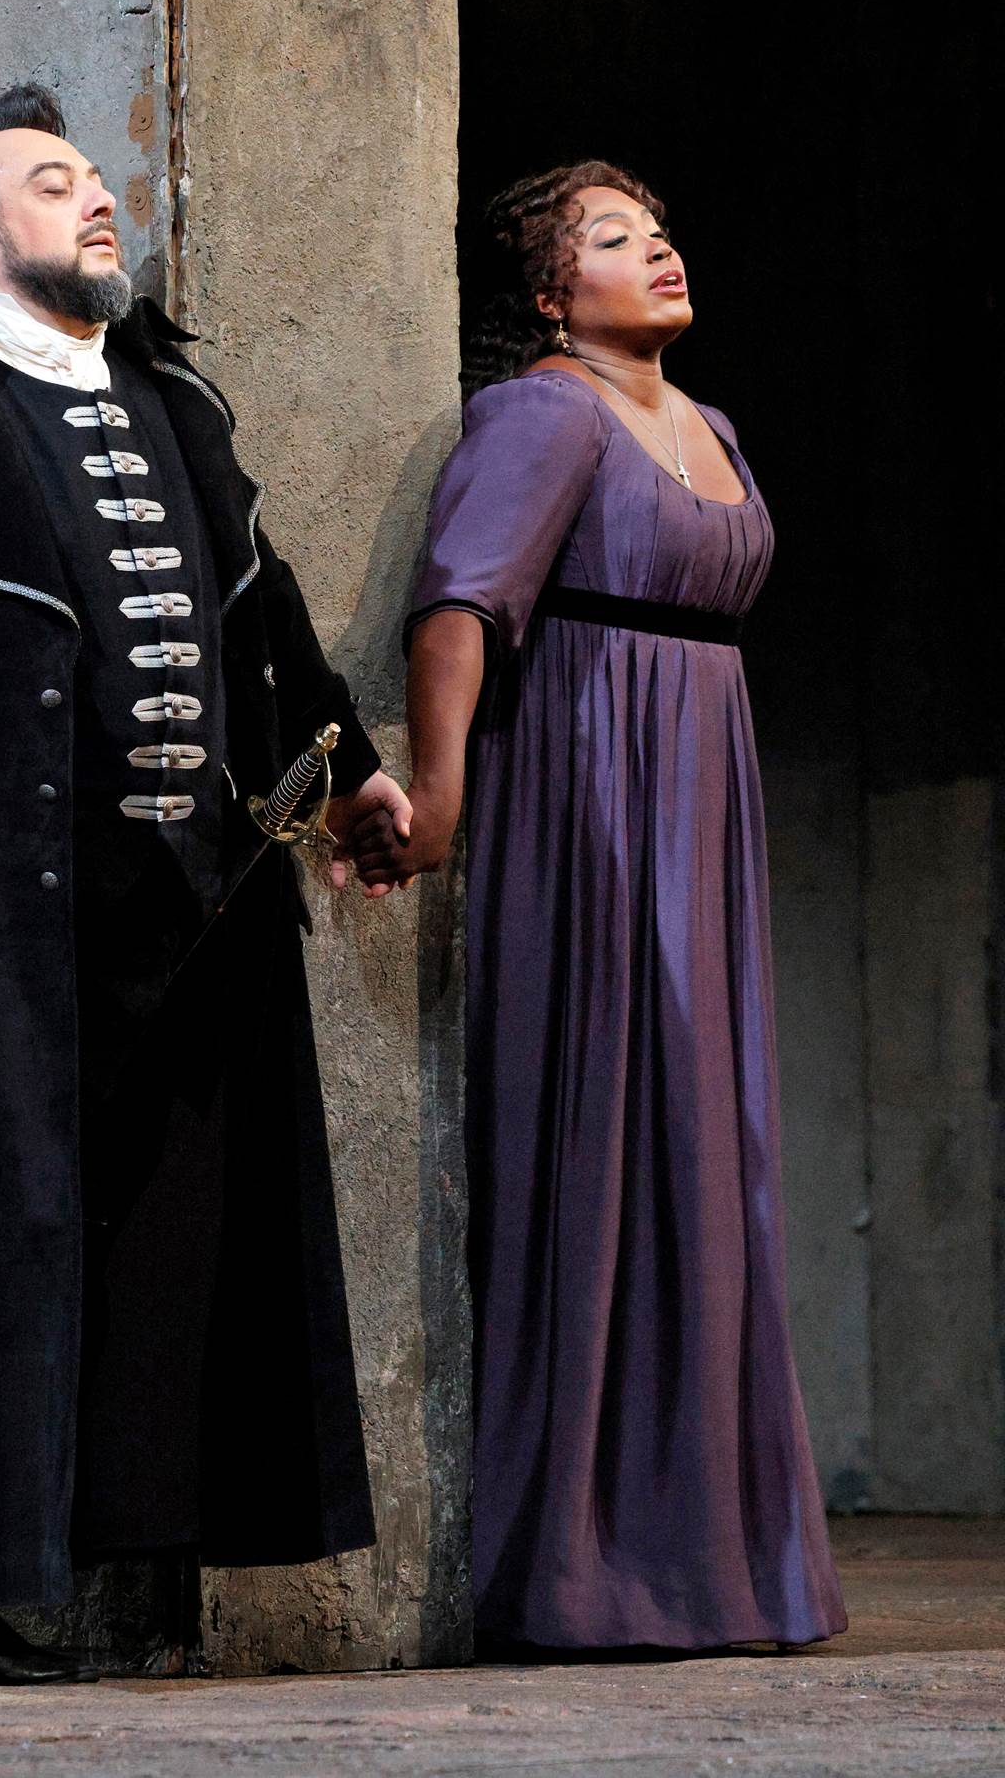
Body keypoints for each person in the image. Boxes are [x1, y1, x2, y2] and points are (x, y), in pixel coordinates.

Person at [0, 82, 410, 1687]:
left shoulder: (176, 402)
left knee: (156, 1251)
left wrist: (347, 765)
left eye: (96, 176)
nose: (96, 196)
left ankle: (96, 1571)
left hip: (182, 905)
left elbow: (258, 606)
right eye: (51, 183)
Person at [353, 162, 846, 1652]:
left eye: (662, 231)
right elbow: (459, 605)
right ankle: (588, 1560)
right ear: (551, 295)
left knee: (708, 1138)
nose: (661, 251)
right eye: (617, 240)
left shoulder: (714, 427)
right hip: (592, 784)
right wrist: (440, 794)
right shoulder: (542, 414)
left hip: (703, 780)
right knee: (612, 1127)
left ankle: (716, 1553)